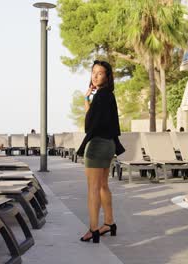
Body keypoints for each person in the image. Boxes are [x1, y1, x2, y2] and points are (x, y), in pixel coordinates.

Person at [76, 60, 125, 244]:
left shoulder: (100, 96)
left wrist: (86, 101)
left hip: (97, 145)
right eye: (93, 72)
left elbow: (89, 125)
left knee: (93, 189)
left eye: (100, 73)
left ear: (107, 76)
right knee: (103, 185)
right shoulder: (109, 95)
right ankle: (109, 223)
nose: (95, 76)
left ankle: (93, 229)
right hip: (110, 145)